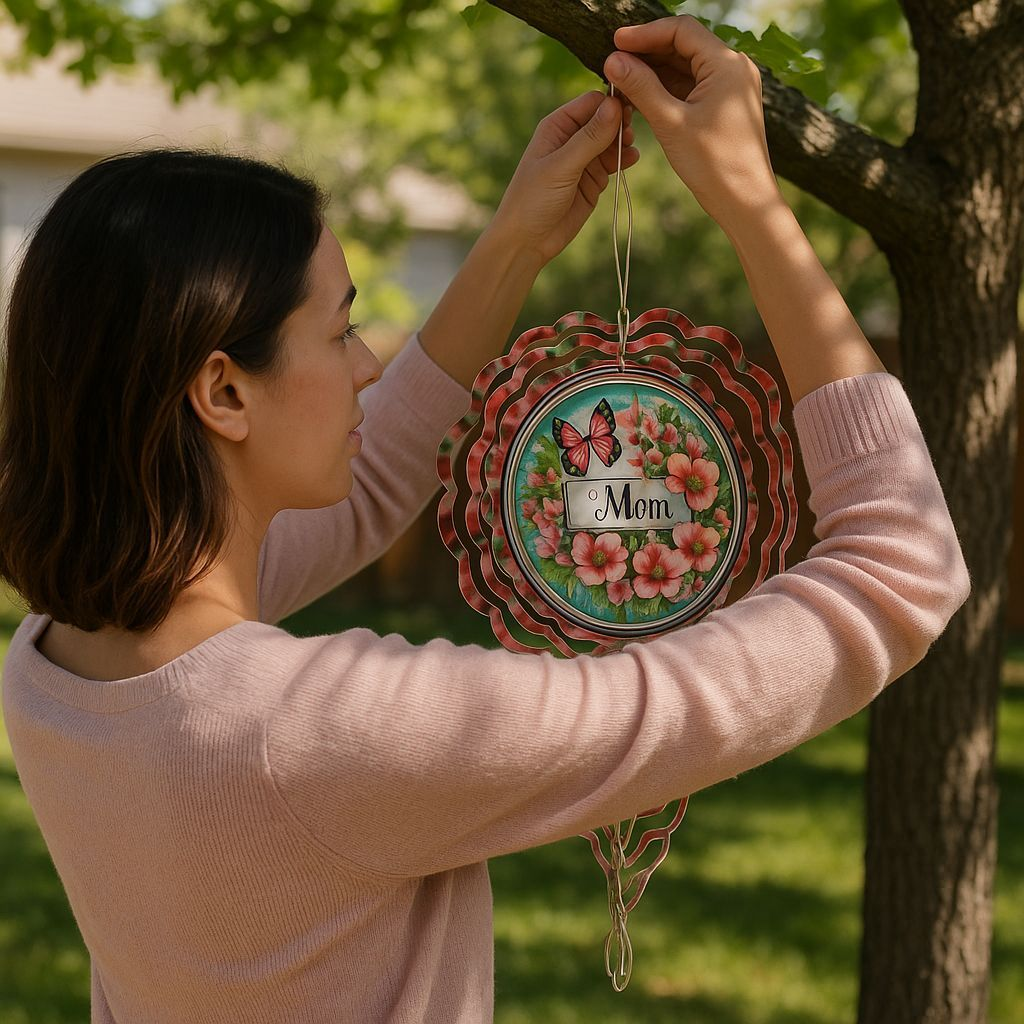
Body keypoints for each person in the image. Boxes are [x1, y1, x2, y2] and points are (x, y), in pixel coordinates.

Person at [0, 14, 970, 1024]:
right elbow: (900, 573)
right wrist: (753, 207)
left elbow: (370, 479)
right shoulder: (334, 735)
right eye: (338, 333)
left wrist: (517, 241)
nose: (367, 364)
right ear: (224, 393)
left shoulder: (57, 669)